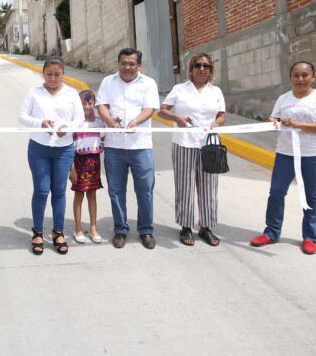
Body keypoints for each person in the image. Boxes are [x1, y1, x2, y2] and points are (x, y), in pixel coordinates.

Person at [250, 62, 316, 255]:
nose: (300, 79)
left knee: (311, 196)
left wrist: (296, 124)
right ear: (291, 78)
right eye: (296, 75)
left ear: (313, 77)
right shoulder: (284, 98)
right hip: (285, 154)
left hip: (312, 155)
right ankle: (271, 232)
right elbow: (274, 120)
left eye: (305, 75)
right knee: (277, 192)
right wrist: (275, 122)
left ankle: (310, 237)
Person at [158, 54, 225, 247]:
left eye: (206, 66)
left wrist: (216, 122)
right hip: (184, 143)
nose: (201, 69)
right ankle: (185, 226)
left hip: (209, 145)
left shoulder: (216, 92)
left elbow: (222, 115)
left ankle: (206, 226)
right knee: (185, 186)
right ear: (191, 68)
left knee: (209, 187)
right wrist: (176, 118)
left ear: (211, 70)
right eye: (198, 65)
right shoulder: (180, 89)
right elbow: (162, 110)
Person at [19, 56, 84, 255]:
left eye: (57, 74)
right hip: (39, 148)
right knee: (41, 190)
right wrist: (41, 123)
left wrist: (69, 128)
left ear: (63, 74)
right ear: (43, 73)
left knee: (59, 191)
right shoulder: (34, 93)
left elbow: (80, 119)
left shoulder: (71, 94)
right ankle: (37, 232)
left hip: (63, 149)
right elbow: (22, 117)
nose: (53, 78)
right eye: (49, 74)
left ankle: (58, 232)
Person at [96, 48, 160, 249]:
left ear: (138, 65)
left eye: (132, 64)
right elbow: (101, 106)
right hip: (114, 146)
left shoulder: (148, 83)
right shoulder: (108, 82)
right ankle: (120, 229)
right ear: (118, 64)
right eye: (124, 63)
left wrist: (135, 122)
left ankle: (146, 230)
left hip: (140, 145)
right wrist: (107, 119)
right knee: (116, 190)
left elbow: (149, 109)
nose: (127, 67)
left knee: (145, 190)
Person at [69, 90, 105, 244]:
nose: (87, 107)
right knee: (78, 195)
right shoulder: (75, 123)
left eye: (90, 103)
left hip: (94, 162)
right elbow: (69, 145)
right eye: (83, 103)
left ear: (94, 104)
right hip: (78, 162)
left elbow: (105, 139)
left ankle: (93, 227)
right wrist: (72, 168)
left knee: (92, 195)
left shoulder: (99, 123)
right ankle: (77, 228)